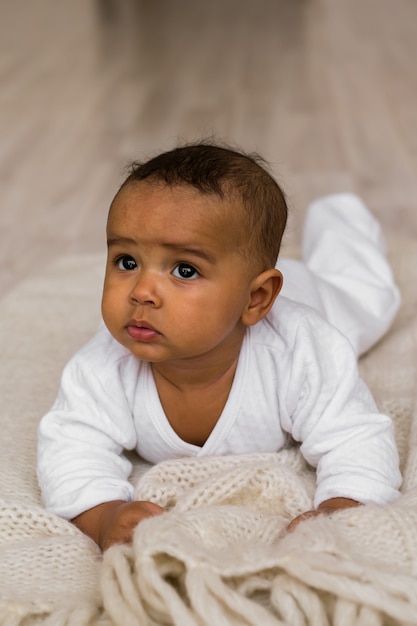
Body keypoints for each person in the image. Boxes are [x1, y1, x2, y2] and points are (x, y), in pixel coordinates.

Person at [37, 142, 402, 551]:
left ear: (256, 298)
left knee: (370, 295)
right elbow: (70, 444)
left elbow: (355, 435)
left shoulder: (302, 349)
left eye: (184, 270)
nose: (142, 292)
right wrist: (102, 516)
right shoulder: (103, 366)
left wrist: (342, 506)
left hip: (315, 297)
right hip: (252, 292)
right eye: (126, 262)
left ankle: (340, 217)